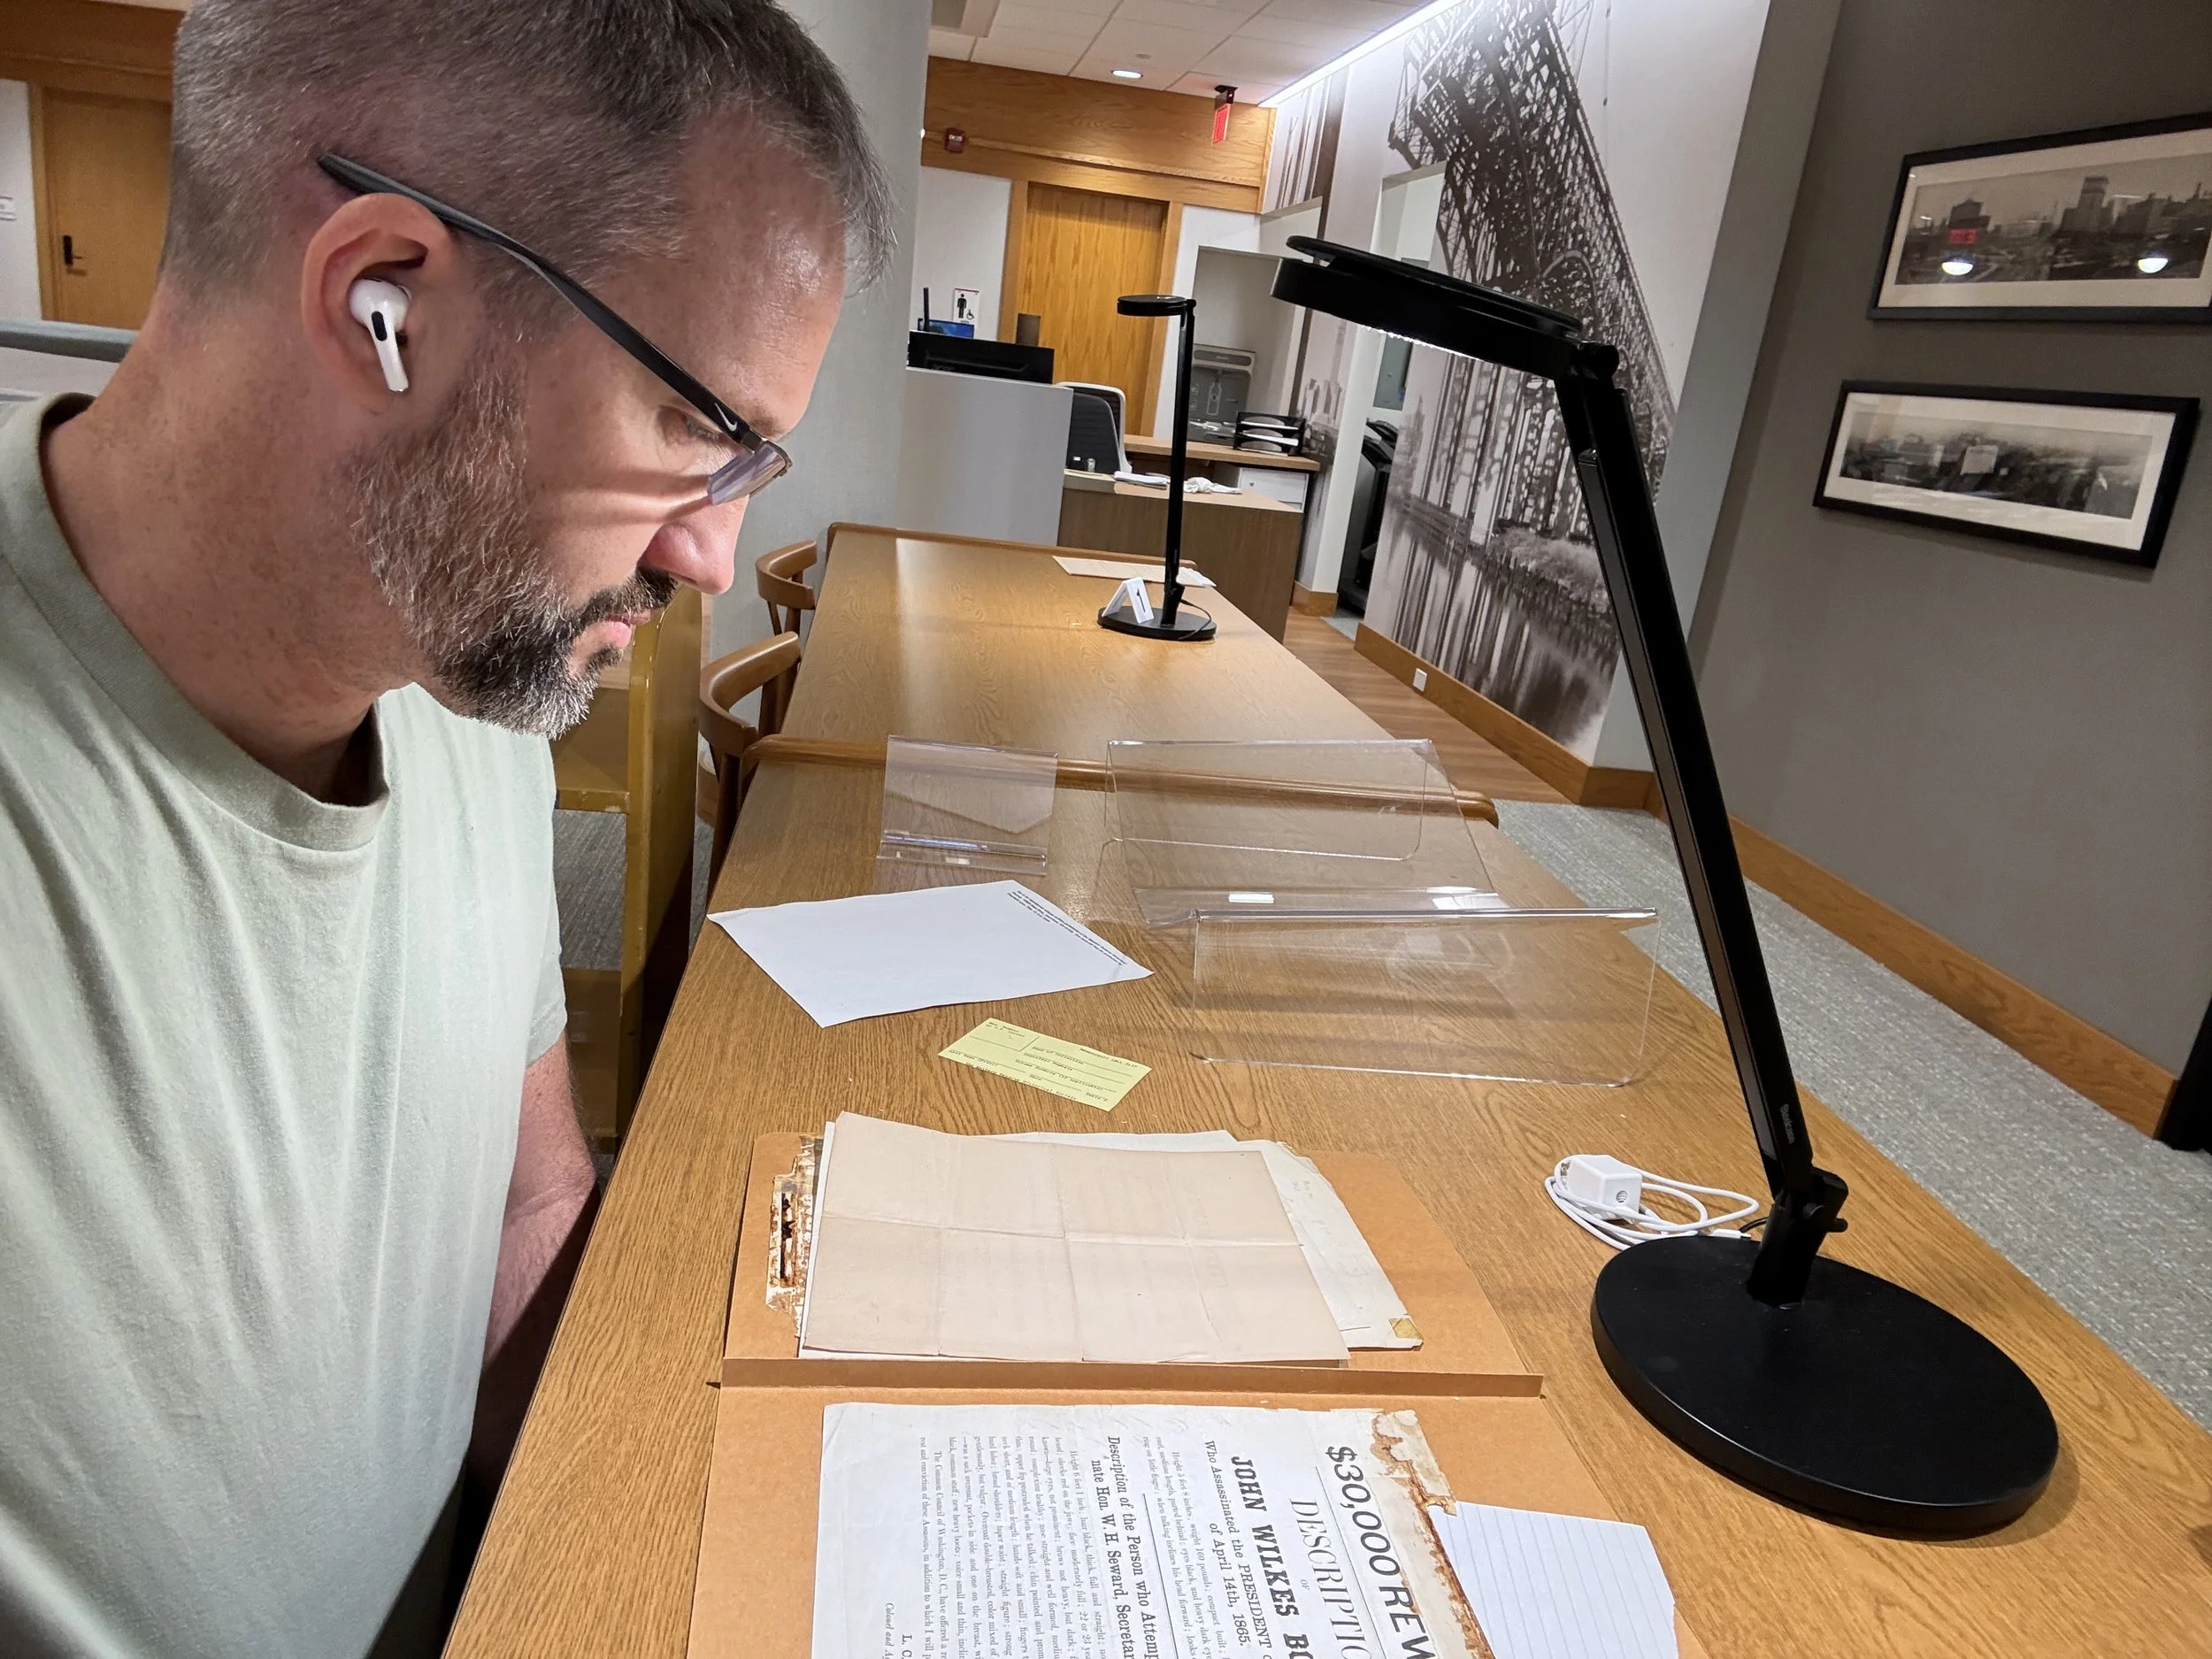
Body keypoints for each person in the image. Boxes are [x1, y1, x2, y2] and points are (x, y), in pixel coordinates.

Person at [0, 0, 888, 1653]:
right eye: (700, 432)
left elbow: (522, 1217)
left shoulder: (470, 669)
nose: (711, 552)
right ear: (381, 299)